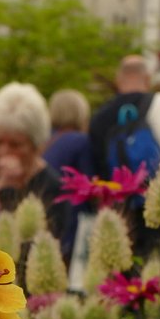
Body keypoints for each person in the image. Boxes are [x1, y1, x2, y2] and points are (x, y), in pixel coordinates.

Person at [88, 54, 160, 261]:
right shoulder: (156, 102)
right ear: (147, 78)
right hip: (154, 206)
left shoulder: (100, 117)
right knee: (155, 270)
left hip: (116, 211)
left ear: (119, 79)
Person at [0, 82, 65, 242]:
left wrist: (8, 194)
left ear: (36, 146)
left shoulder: (53, 189)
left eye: (15, 144)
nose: (4, 151)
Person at [42, 89, 94, 263]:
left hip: (46, 214)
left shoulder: (44, 139)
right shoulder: (80, 141)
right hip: (71, 219)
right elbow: (89, 185)